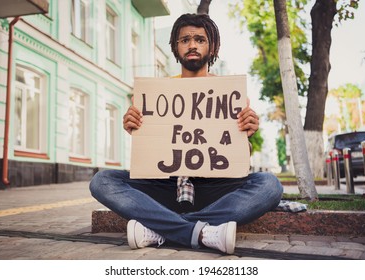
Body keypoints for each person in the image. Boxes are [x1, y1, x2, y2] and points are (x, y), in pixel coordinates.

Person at [89, 13, 283, 255]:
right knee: (102, 180)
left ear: (212, 47)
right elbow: (152, 150)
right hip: (167, 185)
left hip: (215, 188)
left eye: (200, 40)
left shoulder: (230, 94)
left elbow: (238, 159)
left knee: (270, 184)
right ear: (175, 46)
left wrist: (247, 134)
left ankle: (162, 229)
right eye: (185, 40)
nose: (192, 45)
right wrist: (136, 129)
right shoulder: (155, 93)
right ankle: (203, 232)